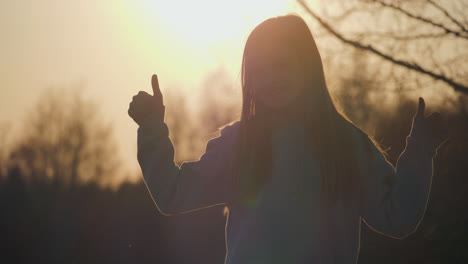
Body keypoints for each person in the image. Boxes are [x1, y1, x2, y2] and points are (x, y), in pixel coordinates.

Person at [128, 14, 449, 264]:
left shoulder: (346, 145)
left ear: (307, 68)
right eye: (260, 69)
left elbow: (397, 217)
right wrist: (152, 127)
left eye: (282, 66)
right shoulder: (238, 144)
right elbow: (174, 194)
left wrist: (420, 152)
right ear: (249, 78)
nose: (271, 78)